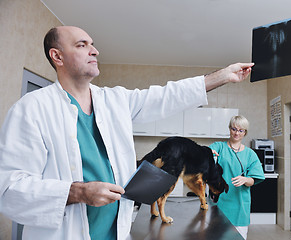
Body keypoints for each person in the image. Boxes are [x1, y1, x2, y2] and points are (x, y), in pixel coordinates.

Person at [0, 26, 254, 240]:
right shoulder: (31, 109)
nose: (94, 50)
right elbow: (9, 189)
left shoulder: (114, 100)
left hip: (118, 232)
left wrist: (222, 76)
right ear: (57, 56)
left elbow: (166, 96)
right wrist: (78, 192)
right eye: (81, 45)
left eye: (93, 44)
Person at [209, 115, 265, 239]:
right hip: (219, 203)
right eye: (234, 129)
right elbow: (205, 153)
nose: (236, 133)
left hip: (240, 205)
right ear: (229, 129)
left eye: (241, 130)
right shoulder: (219, 147)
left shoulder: (250, 154)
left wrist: (245, 179)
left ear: (245, 132)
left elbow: (253, 180)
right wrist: (207, 153)